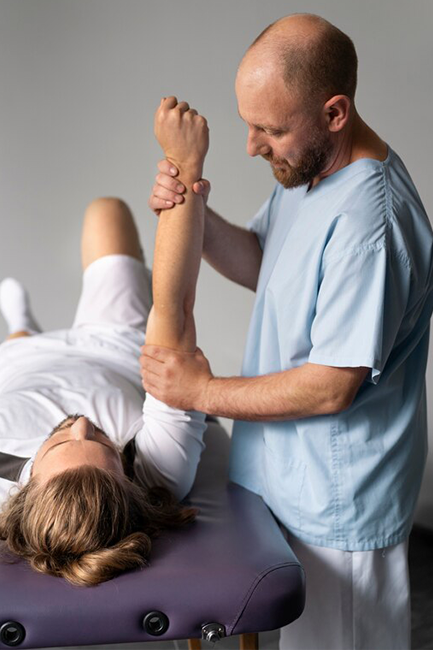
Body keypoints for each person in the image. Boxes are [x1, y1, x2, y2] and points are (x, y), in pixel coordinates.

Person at [142, 13, 433, 650]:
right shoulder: (309, 173)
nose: (252, 146)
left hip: (340, 502)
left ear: (335, 113)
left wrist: (200, 392)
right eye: (248, 124)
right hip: (287, 476)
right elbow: (262, 262)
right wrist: (192, 204)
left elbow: (332, 387)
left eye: (271, 129)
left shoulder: (370, 225)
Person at [0, 96, 210, 588]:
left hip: (18, 365)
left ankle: (20, 326)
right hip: (117, 344)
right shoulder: (162, 471)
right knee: (107, 211)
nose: (81, 423)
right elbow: (173, 310)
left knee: (18, 345)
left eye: (60, 441)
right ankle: (25, 326)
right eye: (103, 442)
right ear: (130, 483)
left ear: (21, 490)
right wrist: (185, 166)